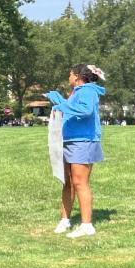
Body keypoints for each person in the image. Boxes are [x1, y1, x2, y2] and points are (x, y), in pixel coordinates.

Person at [47, 65, 106, 238]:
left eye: (70, 74)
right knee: (68, 182)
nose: (68, 77)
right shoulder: (77, 91)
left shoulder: (88, 91)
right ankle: (65, 220)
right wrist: (61, 103)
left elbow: (86, 111)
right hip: (70, 140)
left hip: (83, 141)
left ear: (78, 76)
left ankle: (87, 225)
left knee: (80, 182)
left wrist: (62, 105)